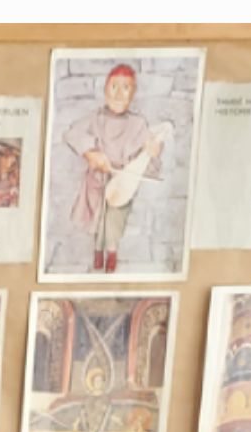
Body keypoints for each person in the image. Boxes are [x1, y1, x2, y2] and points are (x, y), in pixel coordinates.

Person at [60, 61, 171, 275]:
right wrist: (91, 154)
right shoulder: (95, 118)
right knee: (98, 218)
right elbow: (71, 134)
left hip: (123, 183)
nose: (119, 94)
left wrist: (153, 151)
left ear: (133, 93)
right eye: (114, 87)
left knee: (114, 219)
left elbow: (148, 158)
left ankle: (111, 253)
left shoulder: (139, 124)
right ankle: (97, 250)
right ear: (105, 89)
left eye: (126, 87)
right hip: (97, 180)